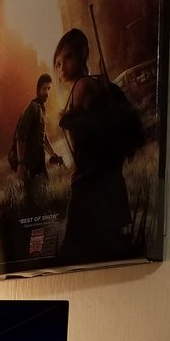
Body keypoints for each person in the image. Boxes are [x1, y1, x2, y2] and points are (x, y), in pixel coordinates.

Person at [53, 27, 132, 263]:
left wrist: (67, 120)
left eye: (68, 58)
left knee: (73, 250)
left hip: (90, 180)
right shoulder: (89, 84)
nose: (62, 67)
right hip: (102, 178)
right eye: (58, 63)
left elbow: (97, 126)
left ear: (84, 53)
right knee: (106, 244)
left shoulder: (83, 86)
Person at [14, 74, 63, 203]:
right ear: (38, 89)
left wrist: (53, 155)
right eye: (44, 89)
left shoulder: (42, 109)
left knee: (44, 192)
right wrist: (21, 163)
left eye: (48, 89)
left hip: (39, 159)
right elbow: (20, 135)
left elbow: (43, 137)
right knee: (31, 198)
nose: (46, 92)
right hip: (29, 162)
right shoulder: (32, 108)